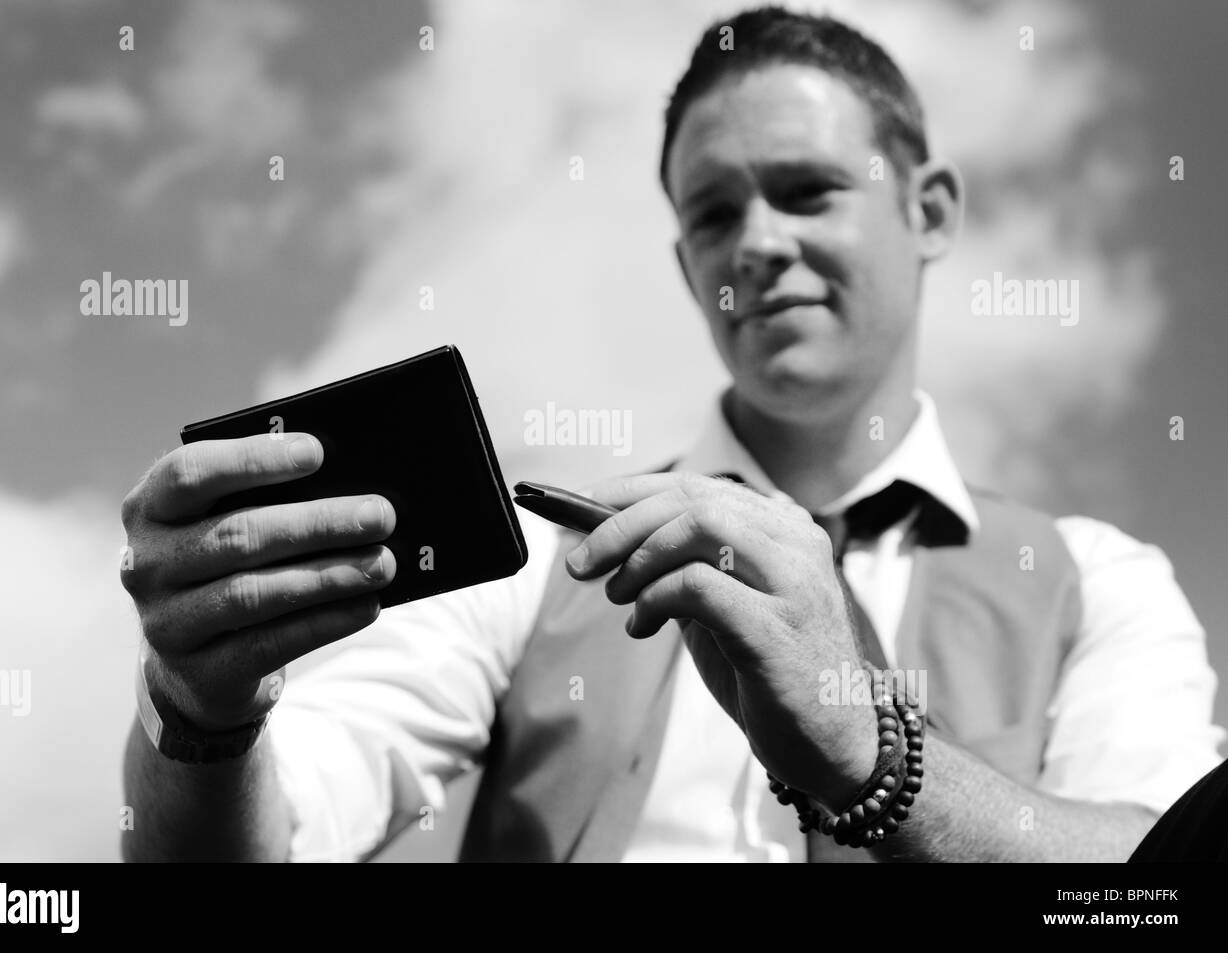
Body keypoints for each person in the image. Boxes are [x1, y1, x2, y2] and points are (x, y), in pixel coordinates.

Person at [118, 6, 1223, 862]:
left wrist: (873, 759)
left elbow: (1156, 877)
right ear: (685, 264)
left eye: (806, 190)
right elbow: (276, 835)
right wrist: (200, 717)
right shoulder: (535, 562)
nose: (758, 242)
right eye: (714, 213)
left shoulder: (1099, 582)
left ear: (928, 210)